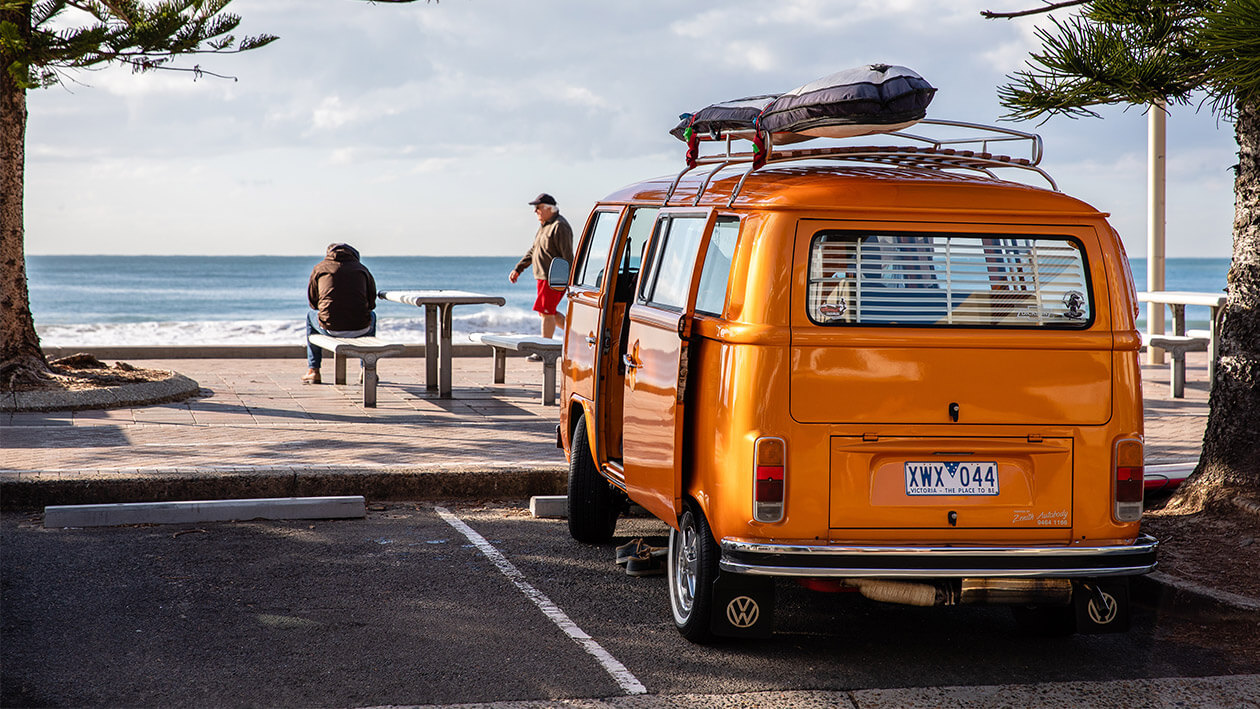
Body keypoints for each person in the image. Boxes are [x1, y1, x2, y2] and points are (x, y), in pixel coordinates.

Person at [304, 242, 377, 383]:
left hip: (330, 328)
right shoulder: (362, 269)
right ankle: (365, 368)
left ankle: (313, 370)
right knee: (372, 316)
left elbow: (313, 304)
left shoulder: (319, 269)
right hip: (360, 328)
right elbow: (371, 303)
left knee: (310, 316)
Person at [509, 193, 574, 344]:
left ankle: (544, 350)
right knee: (545, 312)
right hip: (543, 277)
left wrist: (569, 279)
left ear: (548, 208)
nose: (535, 211)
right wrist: (518, 269)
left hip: (554, 278)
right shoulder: (545, 226)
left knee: (546, 313)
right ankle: (575, 336)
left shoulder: (560, 226)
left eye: (538, 208)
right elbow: (534, 250)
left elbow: (567, 256)